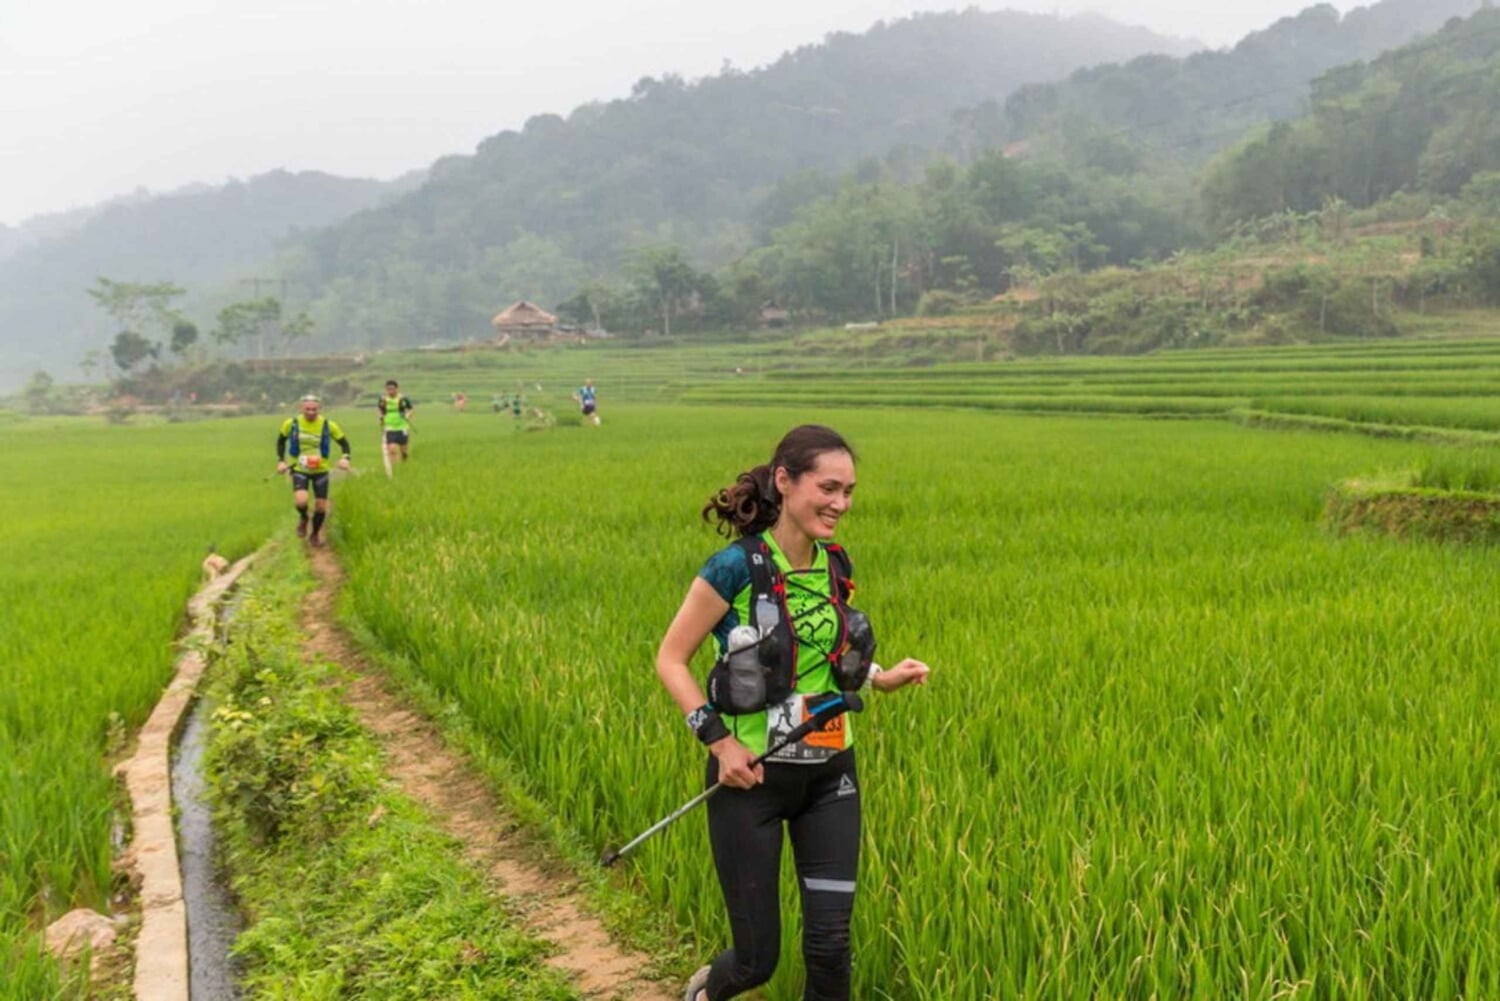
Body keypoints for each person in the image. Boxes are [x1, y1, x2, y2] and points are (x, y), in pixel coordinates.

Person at [655, 425, 931, 1001]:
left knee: (830, 947)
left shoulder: (835, 562)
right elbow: (671, 659)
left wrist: (880, 678)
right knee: (757, 960)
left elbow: (824, 654)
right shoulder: (736, 567)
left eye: (849, 491)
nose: (841, 504)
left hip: (830, 772)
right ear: (785, 481)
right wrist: (719, 743)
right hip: (750, 779)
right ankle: (706, 993)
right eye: (828, 488)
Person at [275, 394, 351, 547]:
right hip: (299, 469)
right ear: (301, 408)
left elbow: (344, 444)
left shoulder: (329, 425)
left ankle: (315, 534)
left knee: (321, 506)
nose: (311, 412)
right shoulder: (291, 424)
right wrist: (281, 461)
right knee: (301, 500)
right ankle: (303, 517)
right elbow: (281, 442)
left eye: (314, 410)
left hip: (320, 471)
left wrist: (345, 458)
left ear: (319, 409)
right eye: (307, 409)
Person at [378, 379, 415, 463]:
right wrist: (381, 418)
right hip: (389, 427)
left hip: (402, 426)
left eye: (392, 389)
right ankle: (395, 469)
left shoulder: (403, 399)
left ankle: (405, 464)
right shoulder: (383, 399)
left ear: (397, 389)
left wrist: (408, 416)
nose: (390, 391)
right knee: (392, 449)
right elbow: (379, 410)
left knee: (404, 451)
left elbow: (411, 409)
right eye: (388, 389)